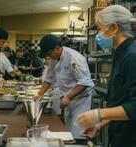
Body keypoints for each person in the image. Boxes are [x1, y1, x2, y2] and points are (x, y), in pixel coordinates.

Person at [75, 5, 136, 147]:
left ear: (114, 28)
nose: (98, 34)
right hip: (120, 136)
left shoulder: (132, 56)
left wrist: (99, 114)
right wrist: (100, 122)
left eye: (100, 28)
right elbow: (123, 101)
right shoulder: (120, 54)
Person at [33, 34, 94, 142]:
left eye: (49, 54)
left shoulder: (74, 57)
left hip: (81, 101)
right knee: (68, 133)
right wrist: (39, 94)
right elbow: (49, 78)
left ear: (57, 48)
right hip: (68, 99)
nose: (49, 57)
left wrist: (67, 97)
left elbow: (84, 82)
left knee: (77, 134)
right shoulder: (54, 58)